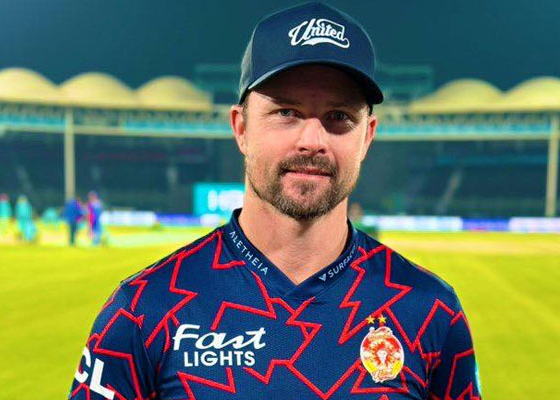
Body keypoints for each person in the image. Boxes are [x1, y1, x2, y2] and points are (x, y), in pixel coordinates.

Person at [67, 3, 481, 400]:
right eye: (286, 112)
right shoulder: (144, 310)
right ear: (241, 128)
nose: (312, 141)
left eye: (339, 117)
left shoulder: (430, 311)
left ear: (367, 136)